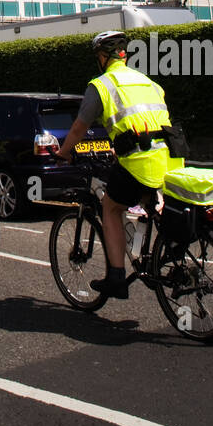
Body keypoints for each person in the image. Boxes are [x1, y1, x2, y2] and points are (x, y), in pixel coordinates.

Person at [55, 30, 172, 298]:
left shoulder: (103, 85)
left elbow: (79, 127)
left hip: (138, 161)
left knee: (110, 206)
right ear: (125, 55)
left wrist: (64, 152)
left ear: (102, 57)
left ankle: (116, 276)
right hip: (167, 158)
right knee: (152, 203)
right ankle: (159, 255)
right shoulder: (149, 83)